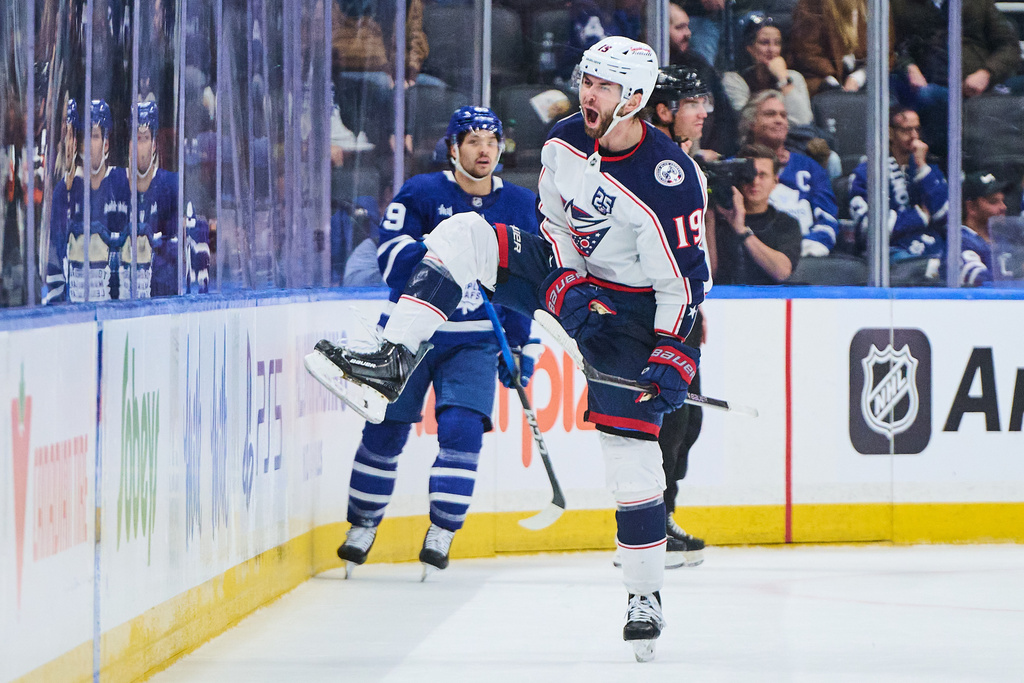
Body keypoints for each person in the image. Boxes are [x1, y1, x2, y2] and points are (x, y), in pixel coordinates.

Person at [310, 36, 709, 662]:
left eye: (604, 86)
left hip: (635, 316)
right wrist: (567, 286)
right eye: (587, 80)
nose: (588, 93)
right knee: (467, 233)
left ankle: (644, 594)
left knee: (630, 457)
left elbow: (683, 283)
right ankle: (392, 360)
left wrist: (672, 354)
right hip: (575, 284)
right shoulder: (562, 142)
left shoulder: (672, 178)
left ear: (634, 98)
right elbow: (555, 229)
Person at [334, 106, 540, 579]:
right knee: (384, 432)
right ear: (452, 148)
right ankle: (362, 525)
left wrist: (520, 347)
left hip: (474, 342)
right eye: (472, 140)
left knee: (463, 432)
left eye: (492, 140)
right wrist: (448, 256)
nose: (484, 149)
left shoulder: (519, 205)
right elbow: (392, 262)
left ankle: (442, 530)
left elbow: (524, 285)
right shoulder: (422, 192)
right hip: (409, 335)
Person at [643, 64, 714, 568]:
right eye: (692, 103)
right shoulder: (652, 165)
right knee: (665, 422)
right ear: (664, 111)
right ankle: (648, 528)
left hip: (680, 309)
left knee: (688, 423)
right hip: (649, 310)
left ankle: (663, 516)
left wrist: (695, 303)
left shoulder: (688, 166)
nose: (702, 113)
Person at [890, 0, 1022, 160]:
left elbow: (1009, 47)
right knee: (926, 96)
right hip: (927, 87)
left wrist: (987, 73)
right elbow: (895, 46)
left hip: (976, 88)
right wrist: (909, 67)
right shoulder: (902, 4)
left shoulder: (978, 4)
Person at [739, 91, 839, 257]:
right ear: (751, 123)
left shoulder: (810, 167)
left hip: (807, 255)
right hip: (753, 254)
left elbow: (827, 218)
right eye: (770, 114)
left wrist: (809, 246)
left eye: (783, 115)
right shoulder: (736, 165)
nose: (779, 120)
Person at [848, 106, 949, 263]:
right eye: (907, 130)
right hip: (893, 253)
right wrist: (919, 216)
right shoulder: (867, 172)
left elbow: (946, 216)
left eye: (917, 129)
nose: (914, 136)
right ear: (890, 132)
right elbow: (868, 227)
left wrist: (922, 166)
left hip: (934, 249)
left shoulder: (929, 169)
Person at [715, 144, 802, 284]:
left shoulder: (786, 223)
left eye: (762, 175)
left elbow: (782, 272)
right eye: (748, 174)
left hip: (769, 301)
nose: (754, 181)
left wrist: (742, 232)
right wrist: (709, 217)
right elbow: (708, 274)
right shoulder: (718, 219)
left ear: (775, 181)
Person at [667, 1, 739, 160]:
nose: (688, 34)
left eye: (687, 27)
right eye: (679, 28)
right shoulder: (644, 65)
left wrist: (716, 153)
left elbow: (723, 114)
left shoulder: (697, 63)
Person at [788, 0, 896, 96]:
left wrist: (858, 78)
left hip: (868, 79)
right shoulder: (812, 4)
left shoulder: (876, 4)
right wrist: (832, 79)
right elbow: (807, 50)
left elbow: (885, 52)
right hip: (824, 79)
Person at [722, 14, 814, 128]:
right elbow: (747, 122)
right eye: (764, 42)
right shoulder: (735, 80)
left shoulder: (793, 77)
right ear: (750, 48)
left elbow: (803, 121)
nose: (772, 49)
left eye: (777, 43)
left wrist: (783, 79)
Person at [952, 172, 1012, 286]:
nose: (1003, 207)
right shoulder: (960, 242)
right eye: (994, 202)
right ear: (971, 207)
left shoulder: (1001, 239)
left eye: (1002, 201)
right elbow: (982, 282)